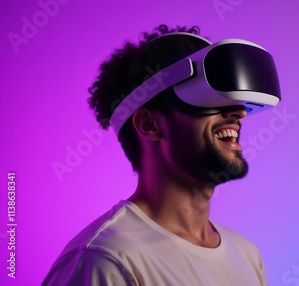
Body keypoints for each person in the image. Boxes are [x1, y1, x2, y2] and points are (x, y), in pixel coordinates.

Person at [42, 24, 274, 285]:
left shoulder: (246, 255)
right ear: (150, 125)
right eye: (210, 98)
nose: (239, 113)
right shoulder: (106, 260)